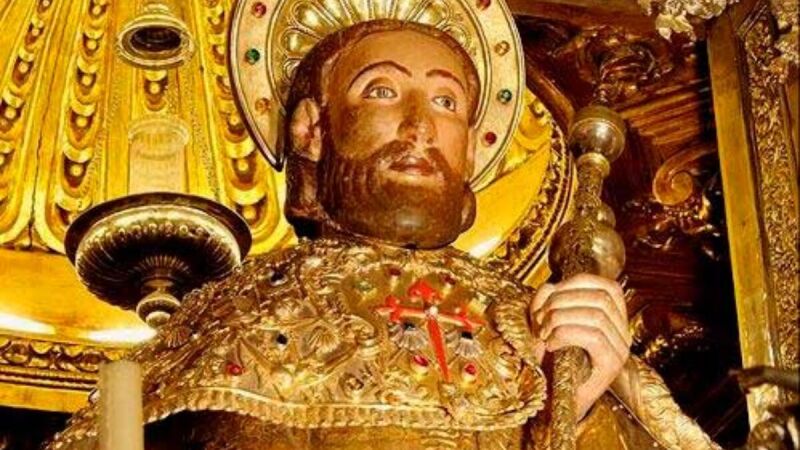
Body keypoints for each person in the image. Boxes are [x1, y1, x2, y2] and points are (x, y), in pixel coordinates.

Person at [51, 19, 718, 450]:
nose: (421, 127)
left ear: (471, 146)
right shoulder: (226, 318)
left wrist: (579, 403)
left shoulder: (539, 327)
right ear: (312, 128)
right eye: (381, 92)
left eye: (447, 103)